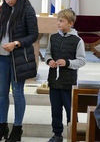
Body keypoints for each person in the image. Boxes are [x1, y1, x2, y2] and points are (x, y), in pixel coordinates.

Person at [0, 0, 38, 142]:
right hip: (3, 57)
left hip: (18, 58)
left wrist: (16, 43)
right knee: (2, 94)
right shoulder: (5, 8)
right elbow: (2, 30)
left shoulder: (27, 10)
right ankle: (3, 127)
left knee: (17, 93)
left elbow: (33, 35)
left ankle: (17, 129)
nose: (6, 0)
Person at [45, 9, 86, 142]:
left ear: (70, 23)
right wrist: (49, 61)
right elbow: (47, 54)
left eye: (61, 21)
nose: (58, 23)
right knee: (55, 110)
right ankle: (57, 134)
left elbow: (81, 61)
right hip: (54, 81)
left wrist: (67, 62)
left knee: (71, 111)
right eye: (58, 20)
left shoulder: (77, 40)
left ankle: (75, 134)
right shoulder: (53, 37)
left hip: (68, 82)